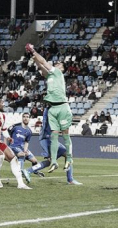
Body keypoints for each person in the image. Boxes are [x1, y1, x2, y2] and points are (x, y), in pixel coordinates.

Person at [25, 43, 73, 173]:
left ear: (62, 69)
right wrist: (32, 55)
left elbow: (44, 62)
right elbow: (40, 65)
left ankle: (69, 158)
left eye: (59, 64)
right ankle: (53, 162)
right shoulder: (50, 76)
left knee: (65, 135)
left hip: (62, 106)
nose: (57, 65)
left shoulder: (58, 73)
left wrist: (34, 50)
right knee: (54, 136)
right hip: (52, 108)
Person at [0, 96, 31, 189]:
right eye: (2, 103)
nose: (4, 104)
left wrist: (8, 137)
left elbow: (3, 129)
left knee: (13, 158)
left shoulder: (3, 116)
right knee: (1, 155)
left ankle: (21, 183)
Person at [23, 108, 82, 185]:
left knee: (67, 154)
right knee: (50, 161)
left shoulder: (53, 110)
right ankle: (28, 171)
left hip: (52, 139)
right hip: (47, 139)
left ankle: (70, 180)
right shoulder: (50, 110)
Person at [8, 113, 44, 179]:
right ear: (22, 118)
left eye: (27, 117)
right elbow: (8, 132)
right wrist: (9, 143)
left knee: (35, 161)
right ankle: (20, 172)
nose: (25, 118)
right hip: (14, 146)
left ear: (29, 118)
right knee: (22, 155)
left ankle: (35, 171)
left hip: (22, 147)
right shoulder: (15, 126)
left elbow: (26, 142)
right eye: (24, 117)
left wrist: (25, 150)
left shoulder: (29, 131)